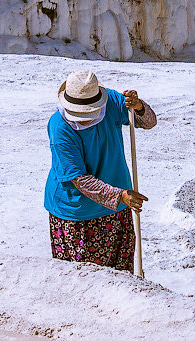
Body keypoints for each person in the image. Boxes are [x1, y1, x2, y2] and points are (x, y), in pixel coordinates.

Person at [45, 69, 156, 272]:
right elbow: (80, 180)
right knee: (83, 280)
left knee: (121, 276)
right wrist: (120, 195)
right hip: (77, 215)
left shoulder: (111, 101)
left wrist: (139, 107)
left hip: (117, 209)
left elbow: (148, 122)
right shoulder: (60, 127)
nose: (84, 119)